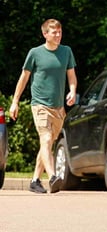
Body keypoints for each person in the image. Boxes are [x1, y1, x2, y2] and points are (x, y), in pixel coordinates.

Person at [9, 18, 77, 194]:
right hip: (40, 105)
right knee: (46, 139)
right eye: (54, 32)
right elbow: (24, 78)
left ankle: (35, 180)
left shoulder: (66, 51)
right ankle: (53, 177)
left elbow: (71, 75)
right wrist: (15, 102)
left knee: (46, 144)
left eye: (60, 32)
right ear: (45, 34)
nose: (58, 35)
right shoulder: (35, 53)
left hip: (58, 108)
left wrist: (72, 91)